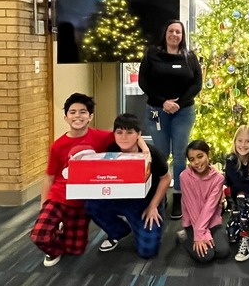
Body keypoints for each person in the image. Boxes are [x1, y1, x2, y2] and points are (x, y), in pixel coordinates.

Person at [30, 93, 114, 267]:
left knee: (75, 250)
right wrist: (43, 204)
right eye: (73, 112)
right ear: (66, 117)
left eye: (83, 112)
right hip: (59, 197)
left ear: (90, 117)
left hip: (82, 202)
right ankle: (54, 246)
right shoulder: (57, 145)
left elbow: (128, 136)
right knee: (40, 235)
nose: (78, 116)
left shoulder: (101, 137)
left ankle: (61, 232)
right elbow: (50, 177)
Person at [137, 19, 202, 221]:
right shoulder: (152, 54)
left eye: (178, 32)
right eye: (171, 31)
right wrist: (163, 102)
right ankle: (160, 194)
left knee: (181, 154)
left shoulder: (189, 57)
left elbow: (197, 84)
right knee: (161, 154)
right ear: (165, 33)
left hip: (183, 112)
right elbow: (143, 81)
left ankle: (178, 195)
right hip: (157, 110)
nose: (175, 35)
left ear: (182, 36)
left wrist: (178, 104)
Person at [84, 113, 170, 259]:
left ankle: (153, 213)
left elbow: (166, 179)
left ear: (138, 135)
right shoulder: (111, 150)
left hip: (146, 201)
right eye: (119, 132)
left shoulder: (152, 153)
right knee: (90, 204)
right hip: (121, 198)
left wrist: (153, 205)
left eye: (130, 132)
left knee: (148, 250)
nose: (124, 137)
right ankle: (118, 230)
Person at [178, 139, 231, 264]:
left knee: (222, 251)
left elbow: (210, 207)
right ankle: (183, 237)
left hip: (212, 220)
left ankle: (207, 237)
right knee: (206, 256)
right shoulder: (184, 177)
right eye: (192, 159)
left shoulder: (218, 178)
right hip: (193, 222)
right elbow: (193, 208)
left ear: (208, 155)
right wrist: (201, 234)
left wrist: (205, 233)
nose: (196, 162)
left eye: (200, 156)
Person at [224, 125, 249, 262]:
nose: (243, 145)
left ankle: (245, 236)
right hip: (232, 197)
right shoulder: (231, 160)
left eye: (248, 141)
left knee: (243, 196)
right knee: (231, 236)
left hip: (246, 197)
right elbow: (238, 185)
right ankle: (240, 217)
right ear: (235, 142)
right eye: (239, 141)